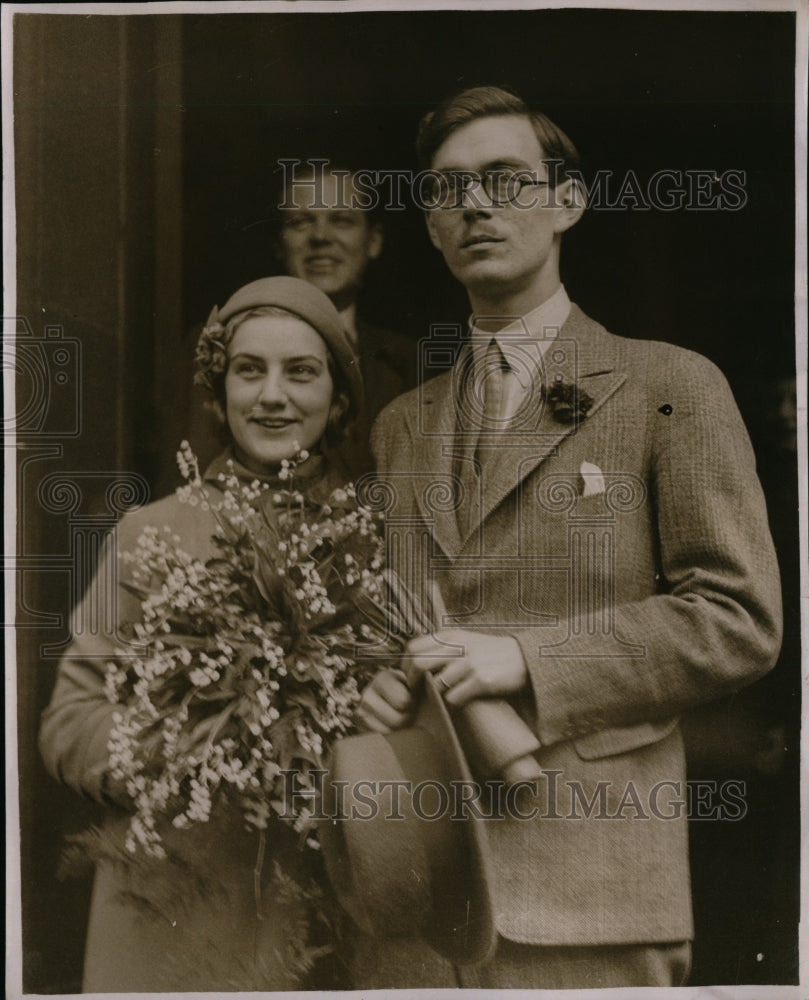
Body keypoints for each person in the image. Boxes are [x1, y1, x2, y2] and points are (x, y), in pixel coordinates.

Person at [356, 86, 782, 989]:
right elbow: (391, 629)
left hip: (593, 891)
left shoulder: (670, 384)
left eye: (506, 180)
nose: (474, 204)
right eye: (447, 190)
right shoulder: (399, 425)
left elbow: (738, 617)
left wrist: (529, 659)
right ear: (430, 229)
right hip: (421, 904)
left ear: (567, 202)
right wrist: (380, 690)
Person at [38, 276, 363, 992]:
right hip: (171, 899)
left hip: (327, 900)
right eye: (249, 371)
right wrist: (197, 748)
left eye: (300, 372)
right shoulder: (147, 532)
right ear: (218, 397)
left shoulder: (372, 547)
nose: (272, 395)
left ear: (337, 400)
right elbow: (69, 723)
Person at [276, 161, 417, 474]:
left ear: (373, 241)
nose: (321, 236)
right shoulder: (223, 344)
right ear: (278, 244)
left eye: (341, 220)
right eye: (300, 222)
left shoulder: (410, 360)